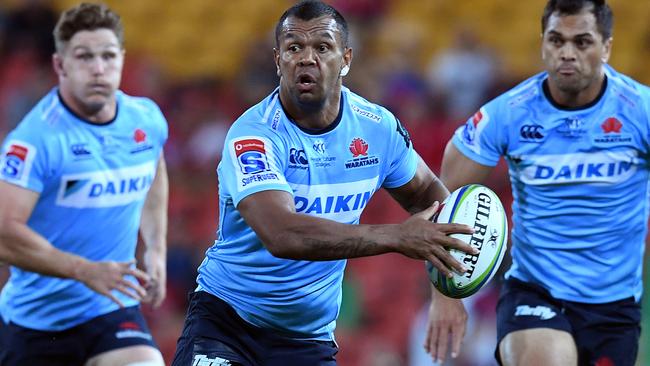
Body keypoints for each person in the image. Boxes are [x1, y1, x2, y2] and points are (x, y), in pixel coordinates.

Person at [171, 1, 477, 365]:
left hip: (308, 339)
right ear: (278, 59)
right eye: (294, 48)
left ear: (345, 59)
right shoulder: (254, 135)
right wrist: (396, 236)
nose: (306, 58)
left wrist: (448, 294)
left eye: (322, 47)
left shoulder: (377, 129)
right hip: (228, 325)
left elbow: (440, 206)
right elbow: (282, 234)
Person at [429, 0, 645, 365]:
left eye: (582, 42)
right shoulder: (508, 113)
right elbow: (440, 200)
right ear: (543, 43)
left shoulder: (640, 110)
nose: (567, 53)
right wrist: (445, 296)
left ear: (606, 47)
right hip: (535, 293)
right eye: (556, 40)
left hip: (614, 306)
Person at [0, 3, 168, 365]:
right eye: (84, 57)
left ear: (122, 60)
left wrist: (155, 247)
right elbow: (3, 234)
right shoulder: (34, 141)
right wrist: (85, 270)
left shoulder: (146, 120)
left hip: (109, 308)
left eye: (108, 56)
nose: (98, 69)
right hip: (36, 321)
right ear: (60, 65)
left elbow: (154, 174)